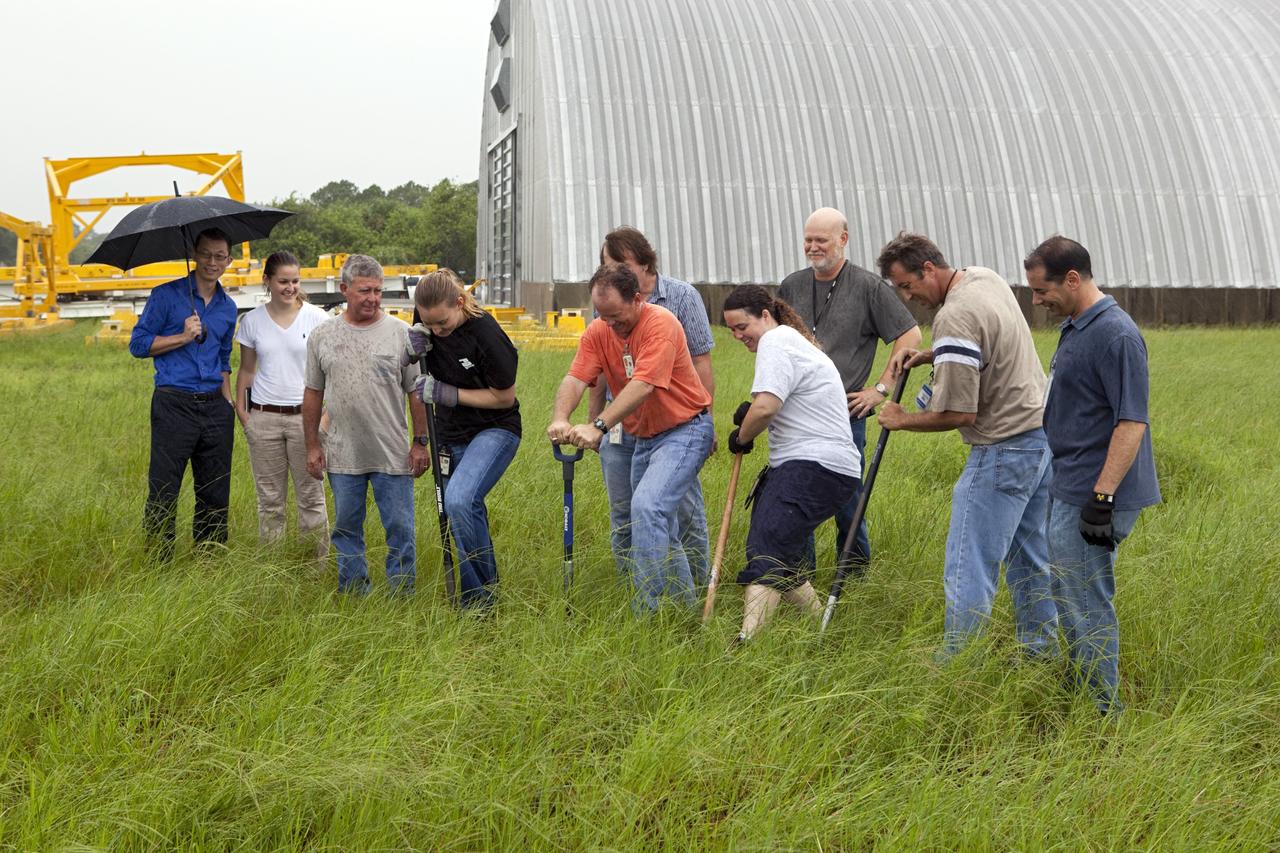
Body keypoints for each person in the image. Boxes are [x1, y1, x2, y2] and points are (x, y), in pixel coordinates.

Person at [876, 232, 1057, 658]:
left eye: (908, 285)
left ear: (928, 269)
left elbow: (960, 413)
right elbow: (982, 341)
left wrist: (901, 419)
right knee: (1030, 556)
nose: (908, 297)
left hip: (1001, 448)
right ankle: (1040, 649)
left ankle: (959, 661)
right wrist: (931, 355)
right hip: (1039, 439)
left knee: (968, 561)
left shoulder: (953, 315)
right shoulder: (983, 278)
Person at [1025, 236, 1161, 714]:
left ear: (1073, 279)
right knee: (1067, 591)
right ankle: (1082, 688)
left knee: (1085, 600)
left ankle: (1104, 716)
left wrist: (1101, 498)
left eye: (1042, 291)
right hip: (1070, 483)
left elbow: (1132, 422)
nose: (1036, 301)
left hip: (1095, 493)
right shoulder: (1077, 326)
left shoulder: (1116, 334)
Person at [548, 264, 714, 613]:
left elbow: (643, 384)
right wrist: (560, 419)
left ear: (637, 299)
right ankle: (686, 613)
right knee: (650, 523)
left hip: (685, 430)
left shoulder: (661, 324)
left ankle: (648, 613)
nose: (610, 324)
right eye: (602, 316)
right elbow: (576, 377)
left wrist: (599, 426)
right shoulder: (599, 330)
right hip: (644, 436)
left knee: (648, 508)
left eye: (617, 317)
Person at [779, 207, 921, 574]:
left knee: (847, 498)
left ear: (843, 240)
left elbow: (910, 335)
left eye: (821, 240)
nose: (812, 247)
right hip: (796, 414)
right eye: (808, 239)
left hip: (846, 413)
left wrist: (880, 388)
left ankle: (853, 576)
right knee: (795, 496)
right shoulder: (791, 285)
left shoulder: (868, 287)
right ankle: (799, 576)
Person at [721, 285, 861, 641]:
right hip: (822, 467)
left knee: (766, 547)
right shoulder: (790, 341)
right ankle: (822, 632)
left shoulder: (776, 341)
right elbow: (776, 404)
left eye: (742, 326)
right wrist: (748, 414)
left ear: (765, 316)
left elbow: (768, 406)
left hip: (813, 465)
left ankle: (747, 643)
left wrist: (743, 436)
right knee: (777, 550)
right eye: (731, 330)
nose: (738, 336)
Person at [589, 227, 715, 584]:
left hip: (676, 424)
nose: (615, 273)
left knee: (681, 512)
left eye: (621, 265)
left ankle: (694, 585)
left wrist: (708, 420)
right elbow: (596, 370)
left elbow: (701, 361)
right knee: (626, 513)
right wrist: (594, 424)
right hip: (621, 423)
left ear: (644, 262)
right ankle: (638, 587)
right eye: (606, 265)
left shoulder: (680, 297)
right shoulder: (606, 300)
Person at [302, 254, 429, 595]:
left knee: (400, 528)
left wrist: (420, 442)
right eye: (364, 291)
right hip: (342, 453)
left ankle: (402, 594)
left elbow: (416, 393)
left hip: (391, 452)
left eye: (377, 290)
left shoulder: (401, 335)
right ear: (344, 290)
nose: (372, 298)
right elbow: (313, 393)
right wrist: (313, 446)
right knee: (346, 529)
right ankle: (354, 592)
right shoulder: (322, 336)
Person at [411, 268, 521, 609]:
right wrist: (413, 341)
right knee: (463, 512)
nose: (437, 331)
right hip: (449, 432)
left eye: (443, 323)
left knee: (458, 500)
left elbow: (504, 397)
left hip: (495, 428)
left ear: (460, 302)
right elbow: (419, 343)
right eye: (430, 324)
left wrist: (449, 393)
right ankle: (486, 595)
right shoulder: (428, 314)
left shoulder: (487, 334)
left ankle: (477, 602)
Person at [129, 227, 239, 560]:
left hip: (215, 406)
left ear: (229, 260)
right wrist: (182, 336)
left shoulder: (228, 307)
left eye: (220, 256)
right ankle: (158, 562)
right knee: (164, 488)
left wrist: (229, 401)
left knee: (215, 490)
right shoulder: (165, 296)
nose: (212, 261)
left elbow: (223, 358)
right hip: (174, 402)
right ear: (194, 254)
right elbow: (138, 345)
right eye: (206, 253)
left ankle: (210, 559)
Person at [234, 250, 331, 557]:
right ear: (267, 281)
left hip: (308, 420)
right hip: (264, 419)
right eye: (282, 281)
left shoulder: (318, 319)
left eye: (295, 281)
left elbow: (332, 373)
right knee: (270, 502)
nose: (290, 288)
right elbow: (247, 371)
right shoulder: (251, 321)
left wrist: (325, 421)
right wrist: (244, 415)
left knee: (311, 499)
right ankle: (272, 569)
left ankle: (315, 568)